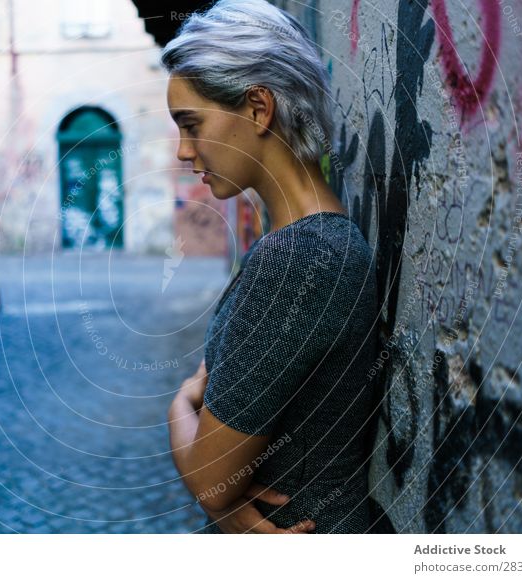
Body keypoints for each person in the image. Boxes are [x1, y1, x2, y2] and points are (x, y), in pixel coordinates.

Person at [163, 0, 380, 534]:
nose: (184, 151)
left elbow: (211, 476)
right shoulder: (305, 241)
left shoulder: (298, 261)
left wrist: (178, 407)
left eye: (192, 124)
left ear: (259, 108)